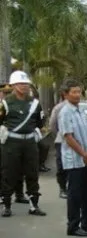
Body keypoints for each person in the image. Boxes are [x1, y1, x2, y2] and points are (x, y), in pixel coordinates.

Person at [58, 79, 87, 237]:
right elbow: (69, 138)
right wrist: (84, 154)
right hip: (74, 159)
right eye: (74, 92)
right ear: (65, 94)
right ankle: (73, 226)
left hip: (84, 159)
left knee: (86, 192)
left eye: (79, 92)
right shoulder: (65, 112)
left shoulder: (80, 110)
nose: (78, 95)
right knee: (75, 194)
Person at [0, 70, 46, 217]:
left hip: (30, 143)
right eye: (20, 83)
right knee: (9, 173)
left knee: (32, 173)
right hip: (11, 143)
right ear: (13, 85)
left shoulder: (35, 103)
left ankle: (34, 205)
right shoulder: (6, 103)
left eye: (26, 83)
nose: (24, 86)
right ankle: (7, 205)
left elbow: (40, 122)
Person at [49, 89, 68, 198]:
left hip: (77, 142)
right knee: (61, 165)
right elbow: (52, 125)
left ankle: (72, 187)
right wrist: (60, 135)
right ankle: (62, 188)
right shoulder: (59, 108)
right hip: (62, 141)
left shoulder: (79, 108)